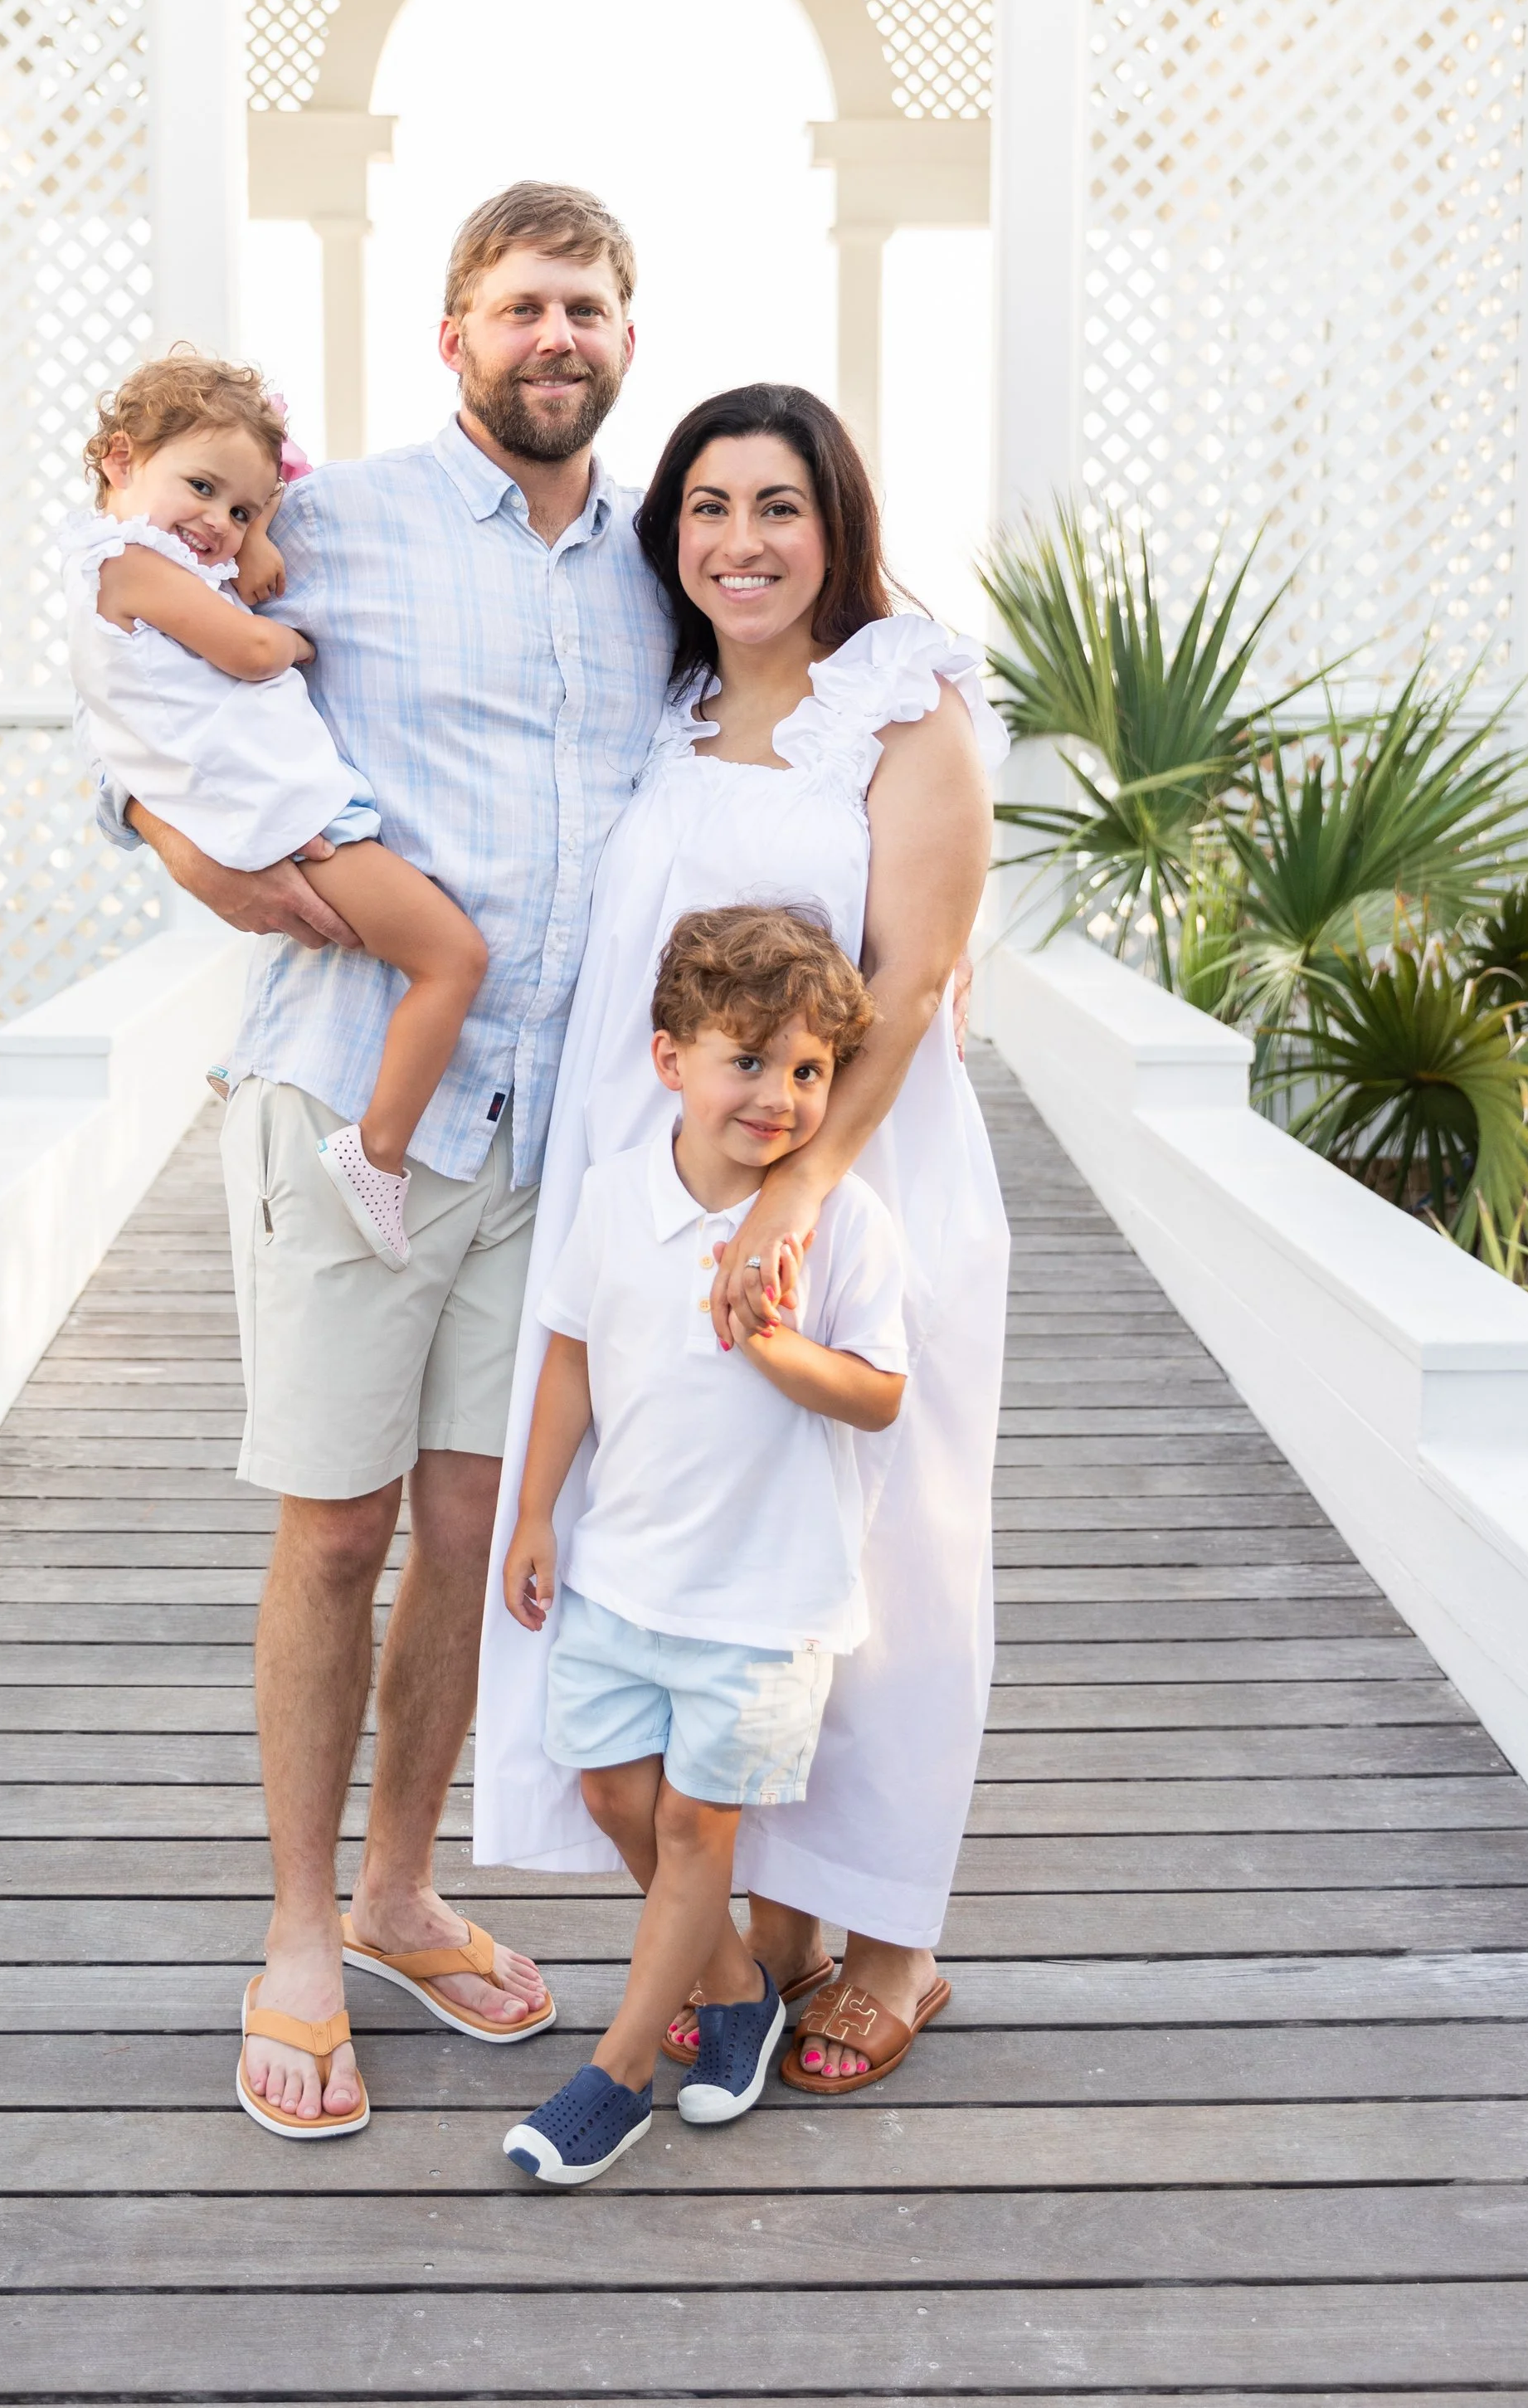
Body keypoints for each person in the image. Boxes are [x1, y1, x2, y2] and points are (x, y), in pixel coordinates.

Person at [105, 186, 673, 2138]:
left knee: (461, 1527)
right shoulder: (323, 520)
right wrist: (201, 860)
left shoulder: (659, 561)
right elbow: (132, 694)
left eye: (586, 306)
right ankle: (289, 1924)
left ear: (623, 335)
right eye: (522, 305)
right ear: (453, 335)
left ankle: (402, 1885)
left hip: (557, 1127)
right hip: (356, 1091)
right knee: (333, 1528)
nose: (556, 336)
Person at [474, 380, 1009, 2098]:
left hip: (854, 1184)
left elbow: (915, 979)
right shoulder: (674, 707)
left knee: (881, 1559)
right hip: (652, 1202)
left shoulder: (901, 710)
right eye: (706, 509)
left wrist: (794, 1196)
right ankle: (769, 1909)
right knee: (699, 1544)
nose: (739, 542)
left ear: (834, 527)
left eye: (776, 507)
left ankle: (896, 1943)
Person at [498, 905, 908, 2186]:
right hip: (624, 1575)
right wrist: (531, 1510)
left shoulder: (844, 1230)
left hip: (762, 1603)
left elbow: (884, 1392)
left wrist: (780, 1347)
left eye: (808, 1071)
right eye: (750, 1061)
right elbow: (569, 1352)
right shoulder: (618, 1197)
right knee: (616, 1790)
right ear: (671, 1058)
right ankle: (736, 1989)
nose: (781, 1098)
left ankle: (618, 2073)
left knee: (694, 1825)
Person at [64, 353, 487, 1267]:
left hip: (277, 804)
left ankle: (244, 1052)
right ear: (120, 459)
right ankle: (376, 1152)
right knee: (453, 958)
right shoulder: (128, 563)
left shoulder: (157, 552)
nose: (219, 523)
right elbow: (250, 649)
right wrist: (298, 640)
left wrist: (250, 531)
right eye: (203, 489)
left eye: (243, 508)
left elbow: (262, 495)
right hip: (296, 815)